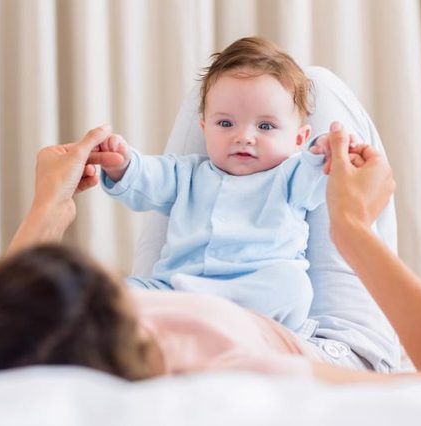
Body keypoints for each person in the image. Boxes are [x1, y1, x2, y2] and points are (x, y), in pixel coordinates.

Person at [0, 123, 421, 384]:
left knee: (254, 93)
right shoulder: (216, 354)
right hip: (319, 336)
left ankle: (257, 112)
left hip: (192, 287)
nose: (242, 137)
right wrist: (350, 225)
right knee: (307, 84)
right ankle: (266, 116)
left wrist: (52, 208)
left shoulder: (30, 338)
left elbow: (5, 316)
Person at [95, 37, 357, 332]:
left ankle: (259, 337)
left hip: (255, 290)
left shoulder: (289, 176)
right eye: (225, 124)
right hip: (181, 288)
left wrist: (325, 152)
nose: (244, 136)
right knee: (120, 292)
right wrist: (122, 164)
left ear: (298, 139)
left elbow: (318, 177)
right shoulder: (188, 174)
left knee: (292, 286)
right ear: (204, 128)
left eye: (266, 126)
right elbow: (149, 177)